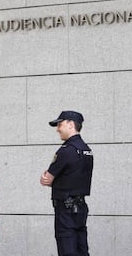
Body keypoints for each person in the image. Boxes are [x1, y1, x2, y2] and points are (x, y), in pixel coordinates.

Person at [40, 110, 94, 256]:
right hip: (81, 208)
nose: (57, 129)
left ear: (71, 125)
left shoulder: (66, 151)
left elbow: (47, 178)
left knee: (67, 250)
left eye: (60, 124)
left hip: (66, 210)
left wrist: (52, 180)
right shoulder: (87, 150)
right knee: (82, 249)